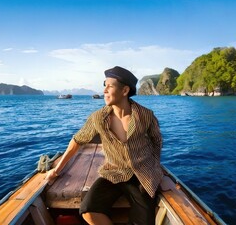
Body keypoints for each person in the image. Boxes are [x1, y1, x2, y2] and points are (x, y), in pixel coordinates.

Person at [45, 66, 163, 225]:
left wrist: (156, 168)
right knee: (88, 210)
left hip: (142, 174)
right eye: (104, 85)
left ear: (125, 90)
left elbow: (157, 141)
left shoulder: (145, 115)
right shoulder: (98, 118)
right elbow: (77, 141)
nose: (105, 90)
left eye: (110, 86)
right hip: (113, 172)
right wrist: (56, 170)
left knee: (144, 221)